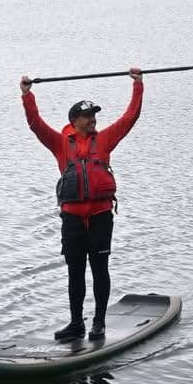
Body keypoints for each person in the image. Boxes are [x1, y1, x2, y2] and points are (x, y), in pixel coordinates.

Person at [20, 68, 144, 341]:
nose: (93, 120)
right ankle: (76, 323)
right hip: (73, 221)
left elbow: (130, 117)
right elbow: (35, 124)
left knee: (100, 270)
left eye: (94, 116)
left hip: (100, 218)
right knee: (75, 273)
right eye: (88, 116)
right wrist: (27, 96)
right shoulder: (60, 144)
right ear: (74, 121)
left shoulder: (106, 140)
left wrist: (137, 86)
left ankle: (98, 323)